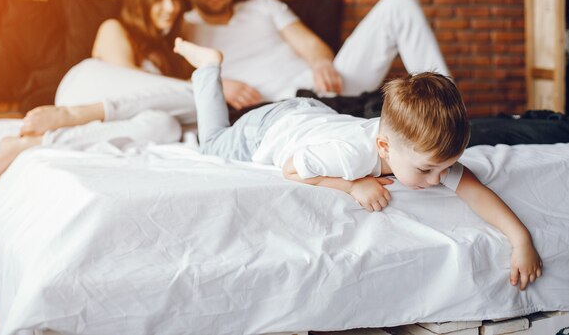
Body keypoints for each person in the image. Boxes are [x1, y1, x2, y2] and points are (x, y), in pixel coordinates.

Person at [173, 37, 543, 291]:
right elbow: (290, 168)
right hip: (270, 127)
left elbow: (476, 192)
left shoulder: (427, 153)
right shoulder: (351, 156)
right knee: (212, 143)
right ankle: (208, 67)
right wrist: (352, 185)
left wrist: (520, 239)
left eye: (445, 168)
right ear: (383, 146)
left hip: (315, 114)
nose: (437, 180)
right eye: (427, 170)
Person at [0, 0, 195, 188]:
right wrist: (192, 88)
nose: (171, 7)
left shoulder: (171, 48)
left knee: (164, 125)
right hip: (86, 92)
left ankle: (36, 143)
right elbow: (132, 88)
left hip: (116, 118)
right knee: (195, 97)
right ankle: (69, 115)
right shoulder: (115, 28)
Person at [180, 0, 450, 110]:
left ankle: (448, 112)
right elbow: (164, 82)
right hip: (285, 110)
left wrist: (321, 62)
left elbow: (310, 44)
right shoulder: (183, 30)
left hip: (329, 86)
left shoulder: (263, 6)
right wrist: (216, 85)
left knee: (398, 4)